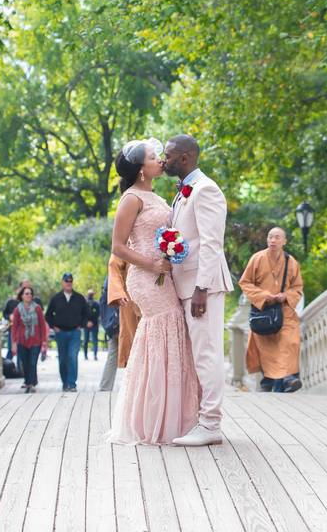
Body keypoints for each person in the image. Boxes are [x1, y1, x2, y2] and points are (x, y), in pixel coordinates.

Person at [109, 138, 200, 444]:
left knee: (171, 334)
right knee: (163, 332)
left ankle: (173, 418)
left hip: (163, 274)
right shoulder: (131, 199)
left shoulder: (158, 196)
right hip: (146, 278)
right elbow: (118, 247)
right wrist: (152, 264)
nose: (160, 159)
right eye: (152, 157)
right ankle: (154, 421)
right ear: (140, 170)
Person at [163, 134, 233, 446]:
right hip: (188, 283)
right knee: (199, 354)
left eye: (169, 155)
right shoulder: (184, 191)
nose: (164, 160)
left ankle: (211, 425)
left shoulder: (206, 189)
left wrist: (202, 288)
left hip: (201, 286)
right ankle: (203, 419)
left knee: (207, 354)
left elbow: (211, 243)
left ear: (186, 157)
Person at [239, 227, 305, 393]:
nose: (273, 240)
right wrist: (264, 295)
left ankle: (289, 378)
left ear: (284, 241)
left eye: (277, 237)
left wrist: (286, 295)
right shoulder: (257, 258)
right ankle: (267, 379)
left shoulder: (291, 262)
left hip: (285, 310)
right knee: (266, 345)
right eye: (270, 237)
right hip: (264, 311)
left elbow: (297, 287)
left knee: (290, 341)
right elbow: (245, 282)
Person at [99, 254, 142, 391]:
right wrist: (112, 325)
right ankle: (106, 388)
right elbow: (108, 305)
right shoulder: (114, 278)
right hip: (119, 320)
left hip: (138, 307)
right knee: (119, 354)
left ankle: (107, 388)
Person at [44, 273, 91, 392]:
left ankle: (72, 384)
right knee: (63, 359)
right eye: (66, 281)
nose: (68, 283)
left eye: (70, 281)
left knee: (72, 357)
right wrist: (53, 326)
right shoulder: (56, 298)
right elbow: (48, 315)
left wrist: (82, 325)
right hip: (60, 333)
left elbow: (87, 314)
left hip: (75, 332)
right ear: (62, 282)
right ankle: (65, 383)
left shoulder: (79, 298)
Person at [10, 286, 49, 393]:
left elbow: (42, 325)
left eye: (30, 293)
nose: (29, 295)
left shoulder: (37, 308)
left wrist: (44, 341)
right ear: (22, 296)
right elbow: (14, 327)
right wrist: (13, 342)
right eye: (26, 293)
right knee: (25, 363)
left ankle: (31, 384)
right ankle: (27, 382)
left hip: (35, 340)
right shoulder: (17, 309)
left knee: (32, 362)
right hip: (22, 341)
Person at [83, 289, 101, 361]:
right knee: (85, 340)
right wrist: (86, 322)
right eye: (89, 294)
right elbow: (83, 314)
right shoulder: (84, 304)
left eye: (91, 294)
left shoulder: (96, 304)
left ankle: (95, 355)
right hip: (86, 325)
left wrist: (92, 322)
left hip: (94, 324)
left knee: (95, 340)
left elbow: (98, 314)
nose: (90, 295)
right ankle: (85, 355)